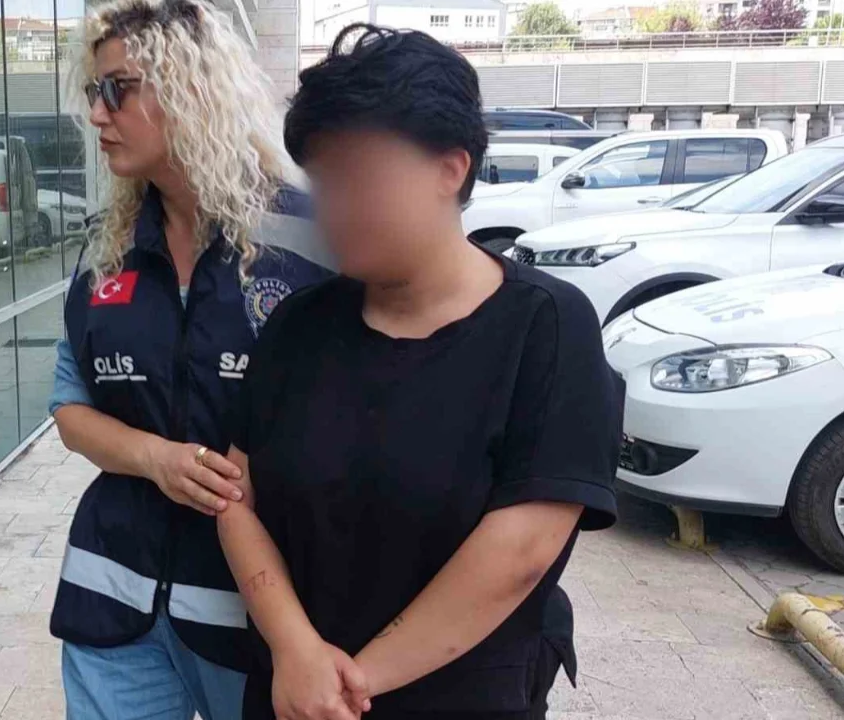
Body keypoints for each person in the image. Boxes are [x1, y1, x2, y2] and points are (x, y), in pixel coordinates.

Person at [217, 24, 622, 720]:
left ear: (450, 169)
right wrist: (294, 649)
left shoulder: (546, 327)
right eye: (323, 182)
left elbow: (522, 548)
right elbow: (236, 495)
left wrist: (349, 687)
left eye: (360, 178)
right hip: (293, 693)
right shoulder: (298, 325)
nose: (334, 208)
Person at [46, 0, 333, 717]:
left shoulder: (312, 240)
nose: (97, 114)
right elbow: (71, 408)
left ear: (190, 88)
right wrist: (154, 458)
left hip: (258, 619)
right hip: (113, 598)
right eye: (94, 92)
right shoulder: (107, 246)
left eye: (117, 89)